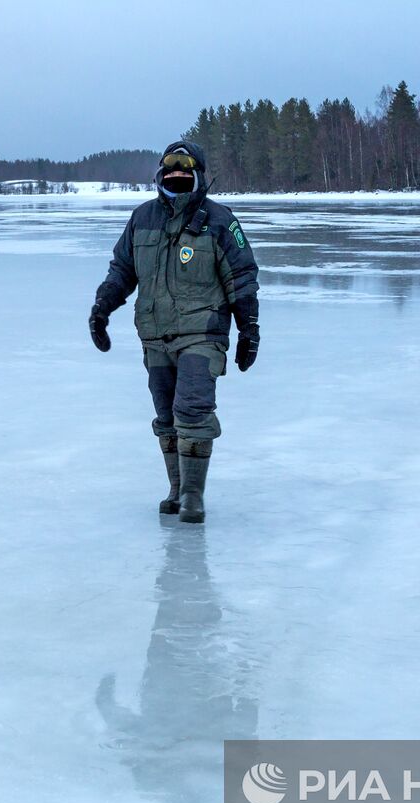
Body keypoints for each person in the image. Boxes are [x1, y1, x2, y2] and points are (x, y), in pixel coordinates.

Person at [88, 141, 260, 525]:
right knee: (166, 416)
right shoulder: (142, 218)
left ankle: (193, 498)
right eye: (170, 171)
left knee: (192, 410)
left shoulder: (220, 220)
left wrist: (249, 328)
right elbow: (121, 272)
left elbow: (242, 277)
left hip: (203, 332)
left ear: (198, 175)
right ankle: (176, 489)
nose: (177, 177)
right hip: (155, 334)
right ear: (160, 176)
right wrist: (101, 309)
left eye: (185, 172)